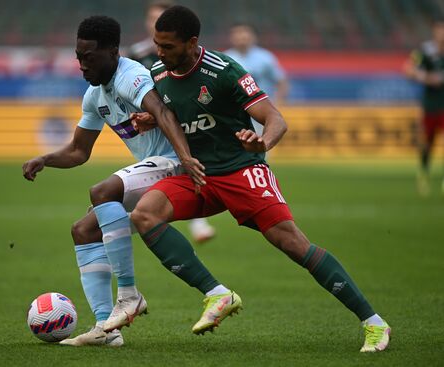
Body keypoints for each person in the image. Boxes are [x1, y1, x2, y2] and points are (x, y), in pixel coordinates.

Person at [129, 5, 391, 352]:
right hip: (200, 175)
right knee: (145, 214)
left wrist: (262, 142)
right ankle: (218, 294)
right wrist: (150, 119)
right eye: (157, 44)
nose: (159, 53)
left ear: (192, 42)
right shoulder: (160, 71)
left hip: (241, 170)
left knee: (294, 245)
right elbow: (175, 111)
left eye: (168, 46)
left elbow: (275, 118)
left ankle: (374, 324)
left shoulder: (224, 71)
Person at [22, 15, 209, 347]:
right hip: (152, 171)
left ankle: (129, 294)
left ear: (112, 51)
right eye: (78, 57)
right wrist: (46, 159)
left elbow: (164, 114)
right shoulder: (95, 96)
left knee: (102, 191)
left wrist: (186, 159)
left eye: (89, 57)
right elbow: (79, 151)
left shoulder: (132, 76)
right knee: (84, 230)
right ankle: (107, 330)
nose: (82, 65)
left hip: (176, 166)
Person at [127, 0, 216, 243]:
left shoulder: (187, 53)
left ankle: (196, 222)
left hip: (180, 120)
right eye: (153, 19)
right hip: (151, 125)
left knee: (183, 167)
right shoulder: (136, 54)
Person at [403, 16, 444, 196]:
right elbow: (408, 69)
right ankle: (424, 174)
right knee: (428, 142)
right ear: (434, 31)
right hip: (431, 105)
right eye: (439, 29)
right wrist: (428, 78)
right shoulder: (425, 50)